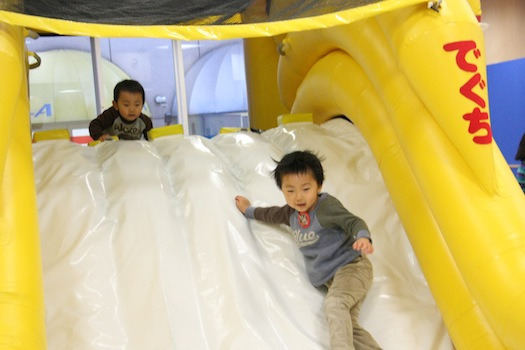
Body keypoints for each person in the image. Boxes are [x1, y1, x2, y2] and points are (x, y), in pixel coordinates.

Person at [235, 150, 381, 350]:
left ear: (318, 186)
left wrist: (363, 236)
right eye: (290, 191)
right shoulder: (292, 213)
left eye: (305, 188)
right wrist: (248, 210)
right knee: (348, 326)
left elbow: (352, 222)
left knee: (335, 305)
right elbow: (271, 214)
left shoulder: (325, 207)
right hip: (332, 280)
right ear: (283, 191)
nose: (299, 197)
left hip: (352, 267)